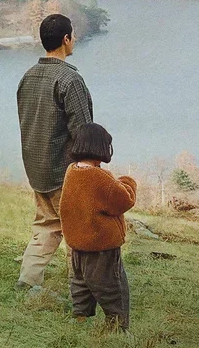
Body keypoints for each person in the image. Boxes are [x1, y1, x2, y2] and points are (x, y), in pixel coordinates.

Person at [16, 13, 93, 289]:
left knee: (46, 225)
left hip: (37, 169)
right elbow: (84, 134)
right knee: (77, 230)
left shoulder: (28, 77)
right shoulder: (69, 80)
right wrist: (91, 173)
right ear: (66, 39)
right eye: (73, 35)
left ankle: (28, 280)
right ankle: (80, 289)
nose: (75, 39)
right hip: (64, 172)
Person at [60, 123, 136, 331]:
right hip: (101, 246)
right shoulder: (100, 178)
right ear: (101, 147)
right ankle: (118, 328)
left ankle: (79, 319)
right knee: (113, 287)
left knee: (81, 284)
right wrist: (128, 182)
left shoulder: (71, 171)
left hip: (78, 245)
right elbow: (124, 201)